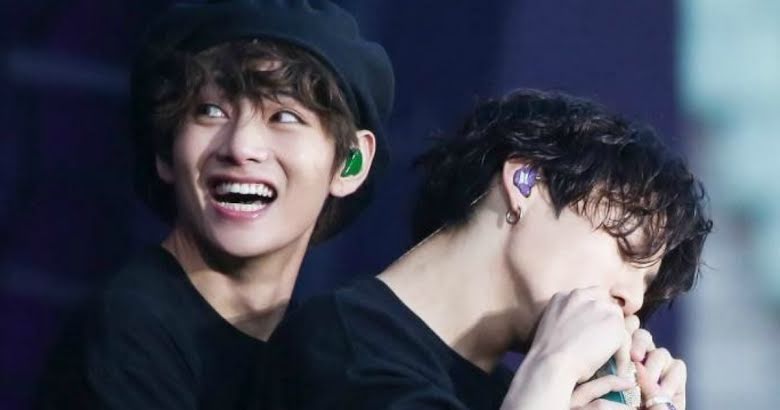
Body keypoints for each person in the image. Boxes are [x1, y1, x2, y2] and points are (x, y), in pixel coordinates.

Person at [36, 0, 393, 408]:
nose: (240, 146)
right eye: (211, 111)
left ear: (350, 162)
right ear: (166, 151)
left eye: (284, 117)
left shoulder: (307, 356)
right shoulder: (130, 331)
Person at [269, 89, 712, 410]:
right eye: (627, 248)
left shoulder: (522, 394)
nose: (633, 299)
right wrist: (552, 369)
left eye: (646, 284)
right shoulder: (339, 347)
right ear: (525, 182)